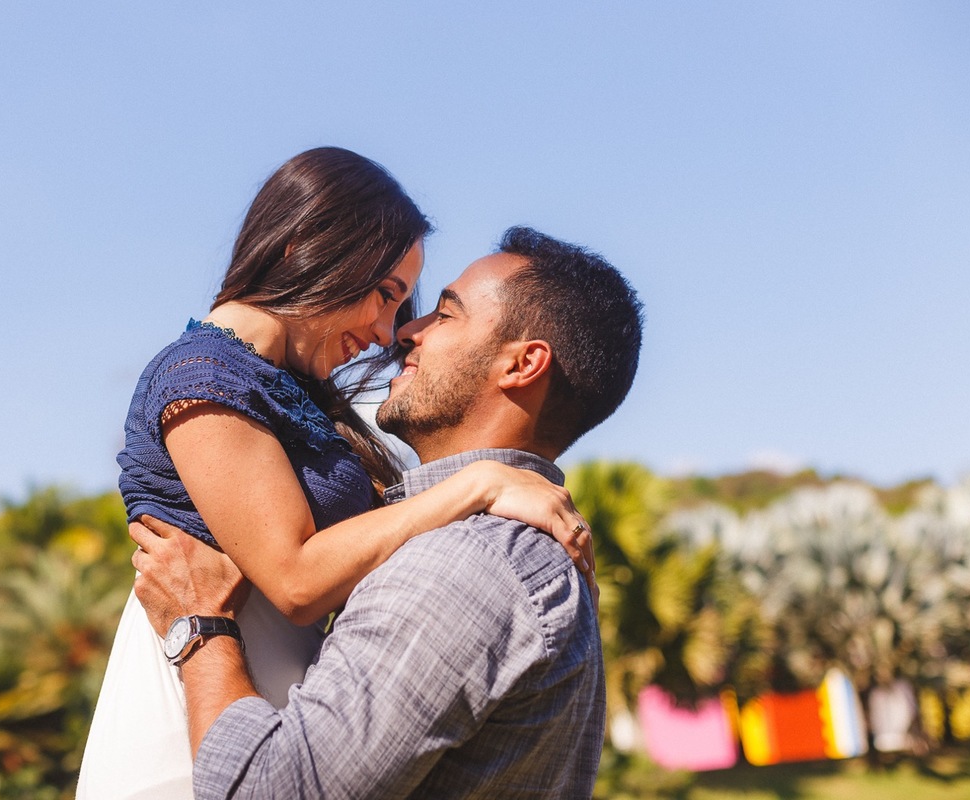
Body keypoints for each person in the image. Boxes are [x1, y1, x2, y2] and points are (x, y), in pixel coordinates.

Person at [76, 152, 596, 799]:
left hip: (266, 719)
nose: (387, 333)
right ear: (305, 249)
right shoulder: (202, 378)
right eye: (386, 296)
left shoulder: (290, 389)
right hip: (186, 731)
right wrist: (480, 484)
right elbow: (294, 579)